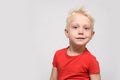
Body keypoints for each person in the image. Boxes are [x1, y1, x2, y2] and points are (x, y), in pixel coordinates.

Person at [50, 7, 101, 80]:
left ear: (92, 35)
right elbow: (52, 78)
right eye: (75, 27)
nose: (81, 32)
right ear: (67, 32)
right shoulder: (58, 55)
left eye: (86, 28)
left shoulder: (91, 60)